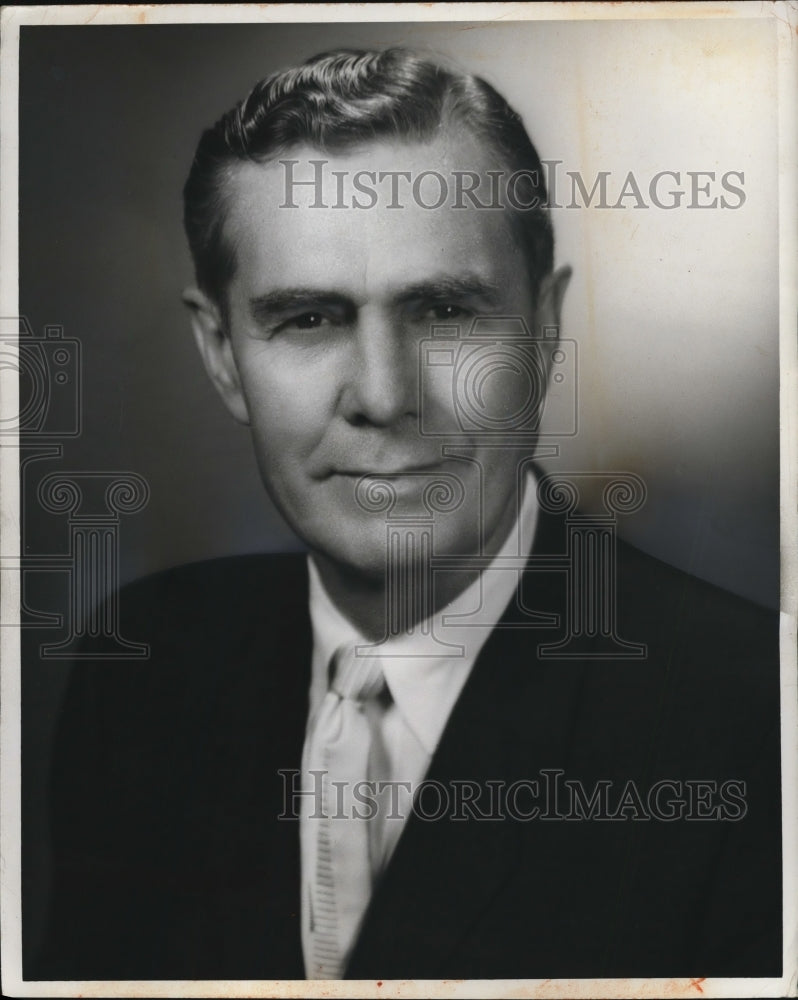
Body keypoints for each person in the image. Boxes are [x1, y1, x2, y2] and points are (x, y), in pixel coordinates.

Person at [33, 48, 781, 982]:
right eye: (308, 319)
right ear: (222, 355)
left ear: (545, 333)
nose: (384, 396)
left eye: (443, 311)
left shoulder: (758, 719)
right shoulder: (141, 666)